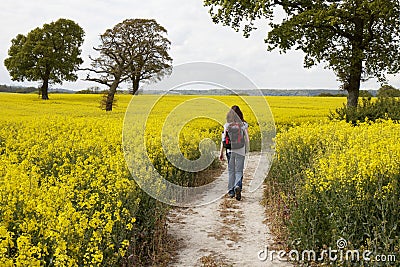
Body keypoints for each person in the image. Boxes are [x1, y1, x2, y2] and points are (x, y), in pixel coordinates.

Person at [219, 105, 249, 201]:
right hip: (240, 150)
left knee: (231, 171)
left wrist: (221, 153)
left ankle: (231, 191)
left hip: (230, 150)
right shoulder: (243, 124)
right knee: (239, 171)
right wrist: (246, 149)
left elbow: (223, 140)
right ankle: (238, 186)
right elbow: (247, 139)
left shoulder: (227, 125)